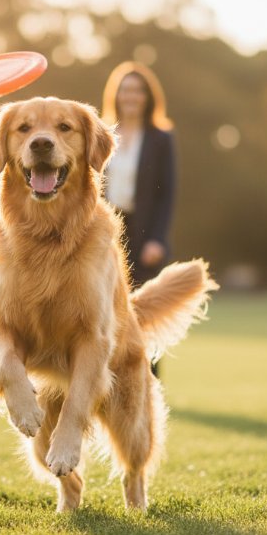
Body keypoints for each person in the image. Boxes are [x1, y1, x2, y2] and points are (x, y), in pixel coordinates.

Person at [101, 61, 177, 377]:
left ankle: (149, 380)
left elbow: (167, 193)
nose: (131, 96)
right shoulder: (103, 133)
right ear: (116, 95)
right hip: (106, 230)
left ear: (148, 97)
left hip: (143, 232)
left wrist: (157, 238)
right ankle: (106, 377)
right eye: (126, 90)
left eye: (138, 91)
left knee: (143, 310)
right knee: (104, 307)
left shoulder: (161, 138)